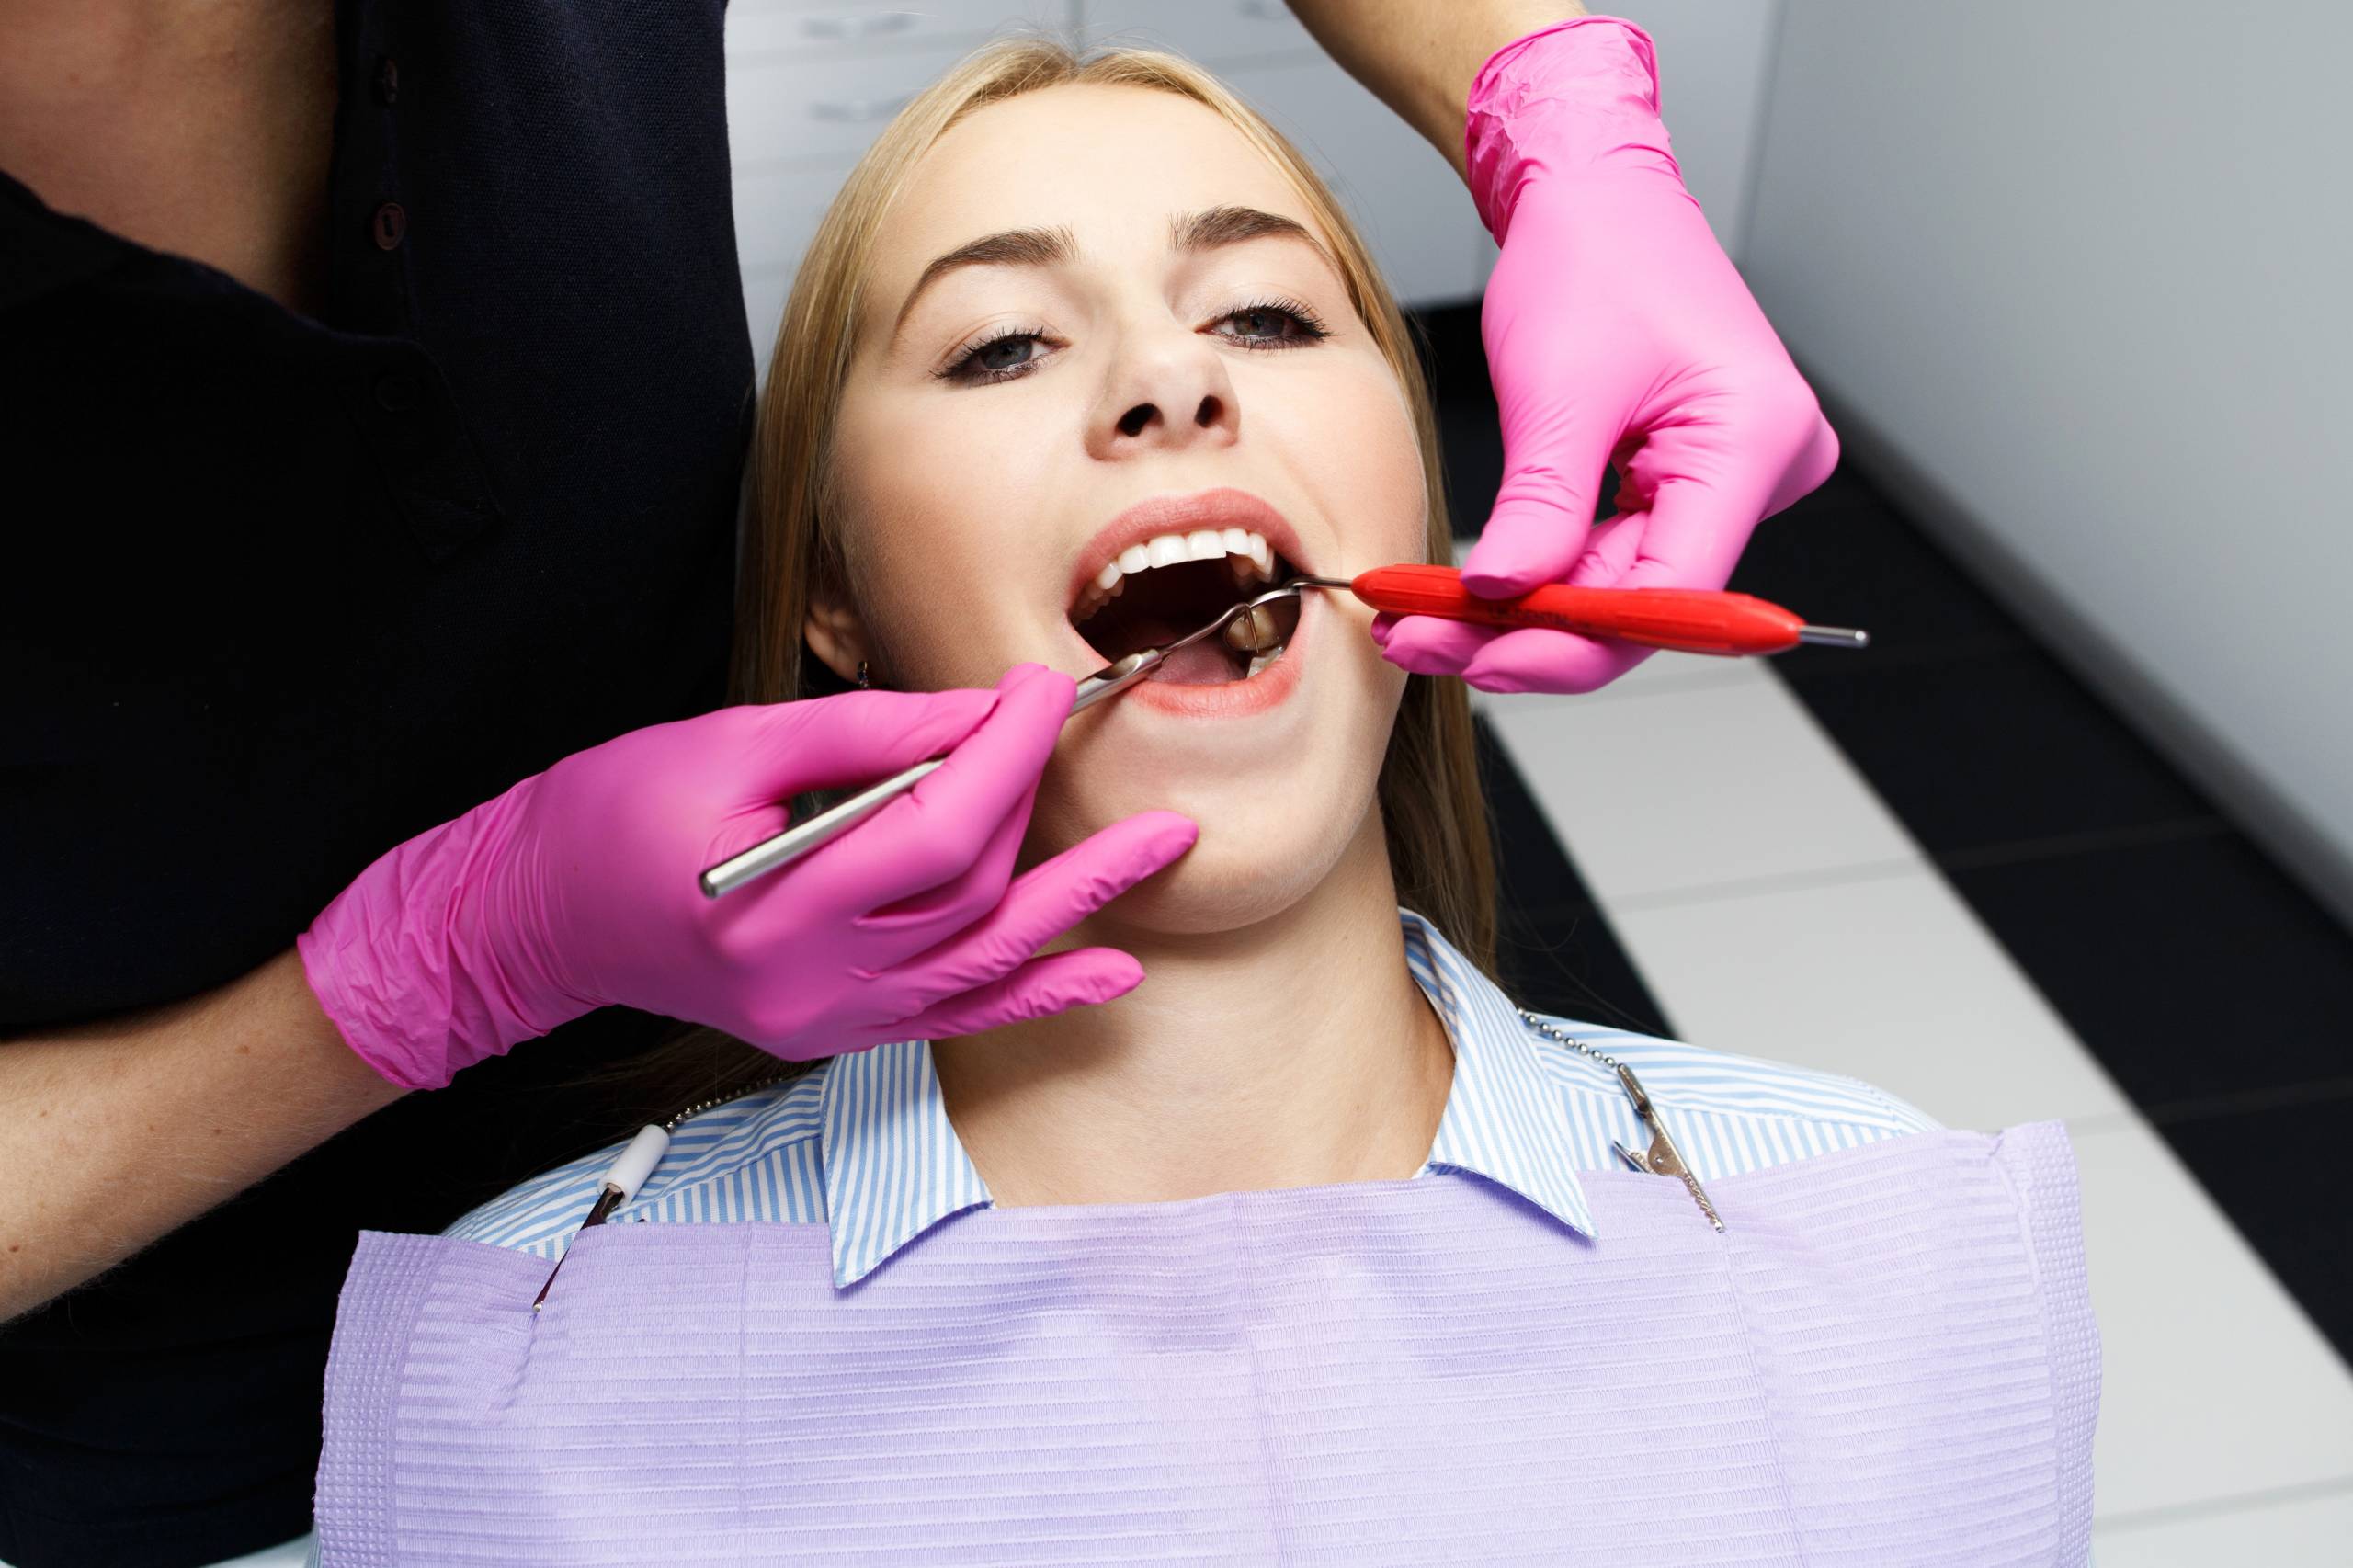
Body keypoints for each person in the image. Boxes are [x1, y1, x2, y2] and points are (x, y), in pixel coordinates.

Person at [0, 3, 1841, 1564]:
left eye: (1270, 317)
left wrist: (1551, 97)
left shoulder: (1839, 1229)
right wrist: (425, 966)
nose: (1165, 380)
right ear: (828, 605)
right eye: (998, 342)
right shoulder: (524, 1371)